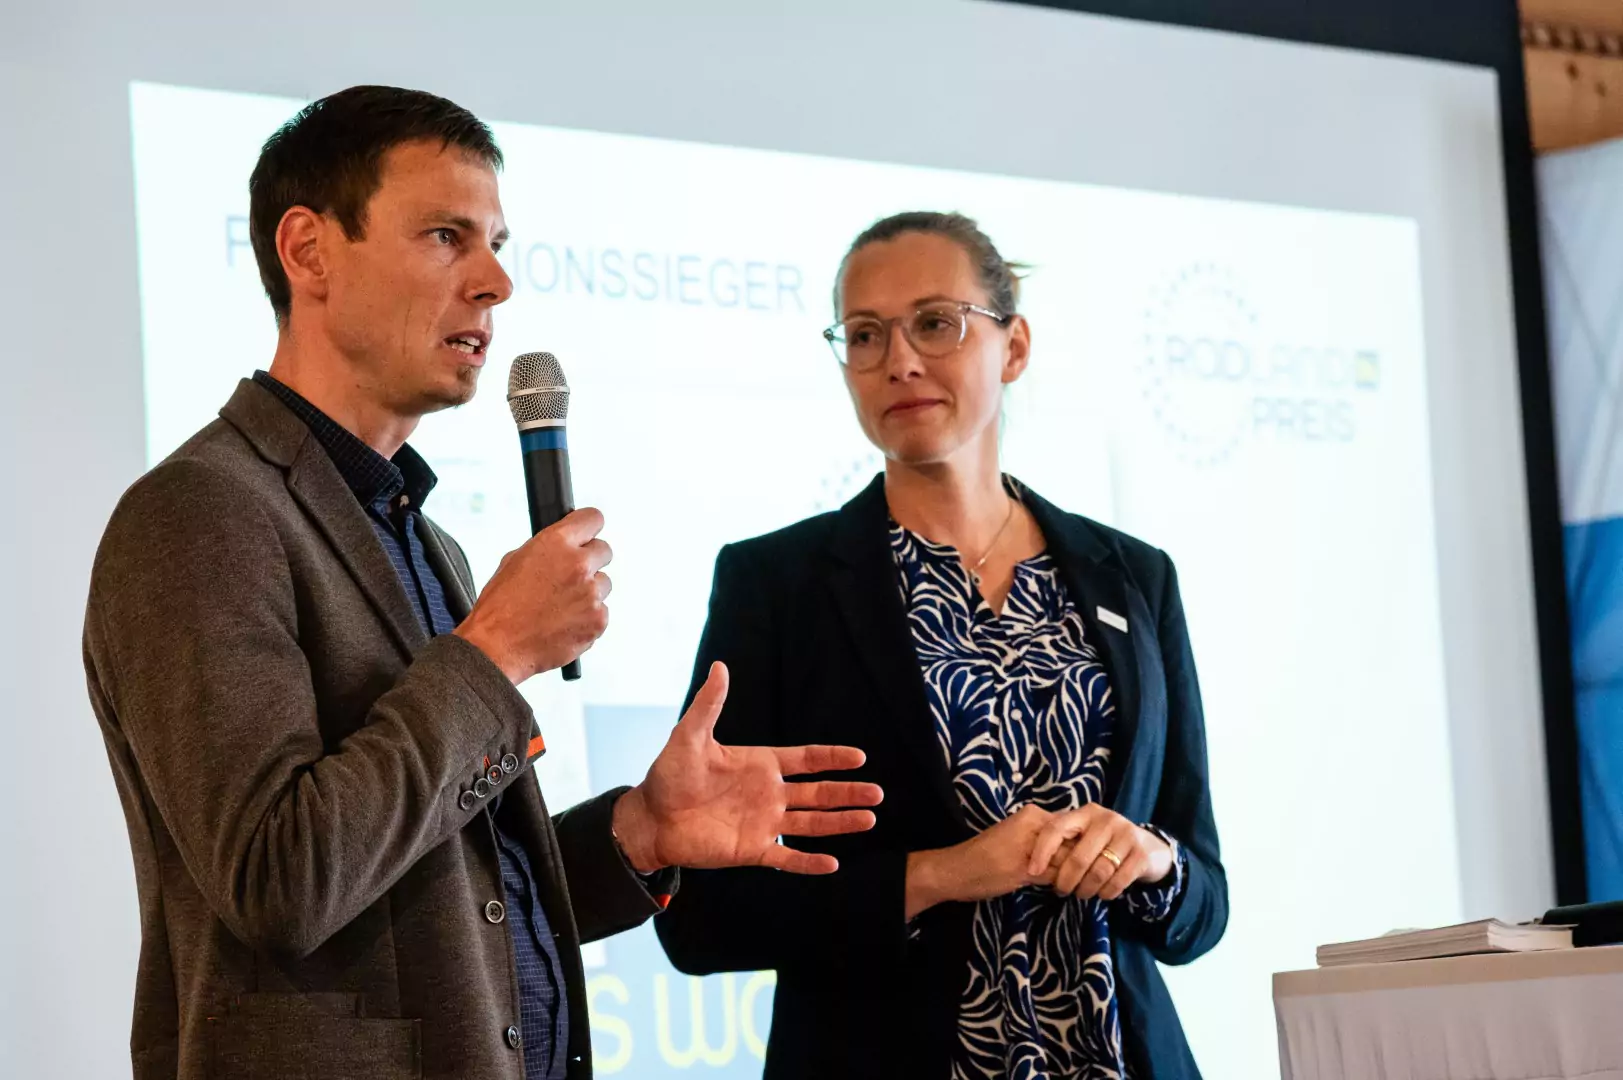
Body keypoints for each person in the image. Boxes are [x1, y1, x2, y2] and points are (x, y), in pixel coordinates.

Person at [81, 86, 882, 1080]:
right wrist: (495, 650)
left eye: (496, 243)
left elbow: (457, 898)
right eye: (445, 236)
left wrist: (641, 831)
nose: (496, 281)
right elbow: (280, 880)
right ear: (309, 251)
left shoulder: (426, 543)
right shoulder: (203, 513)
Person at [656, 212, 1226, 1079]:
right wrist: (939, 875)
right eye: (864, 335)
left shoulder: (1134, 577)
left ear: (1014, 346)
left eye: (934, 323)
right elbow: (701, 919)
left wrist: (1152, 862)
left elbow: (1203, 905)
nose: (899, 361)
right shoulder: (777, 585)